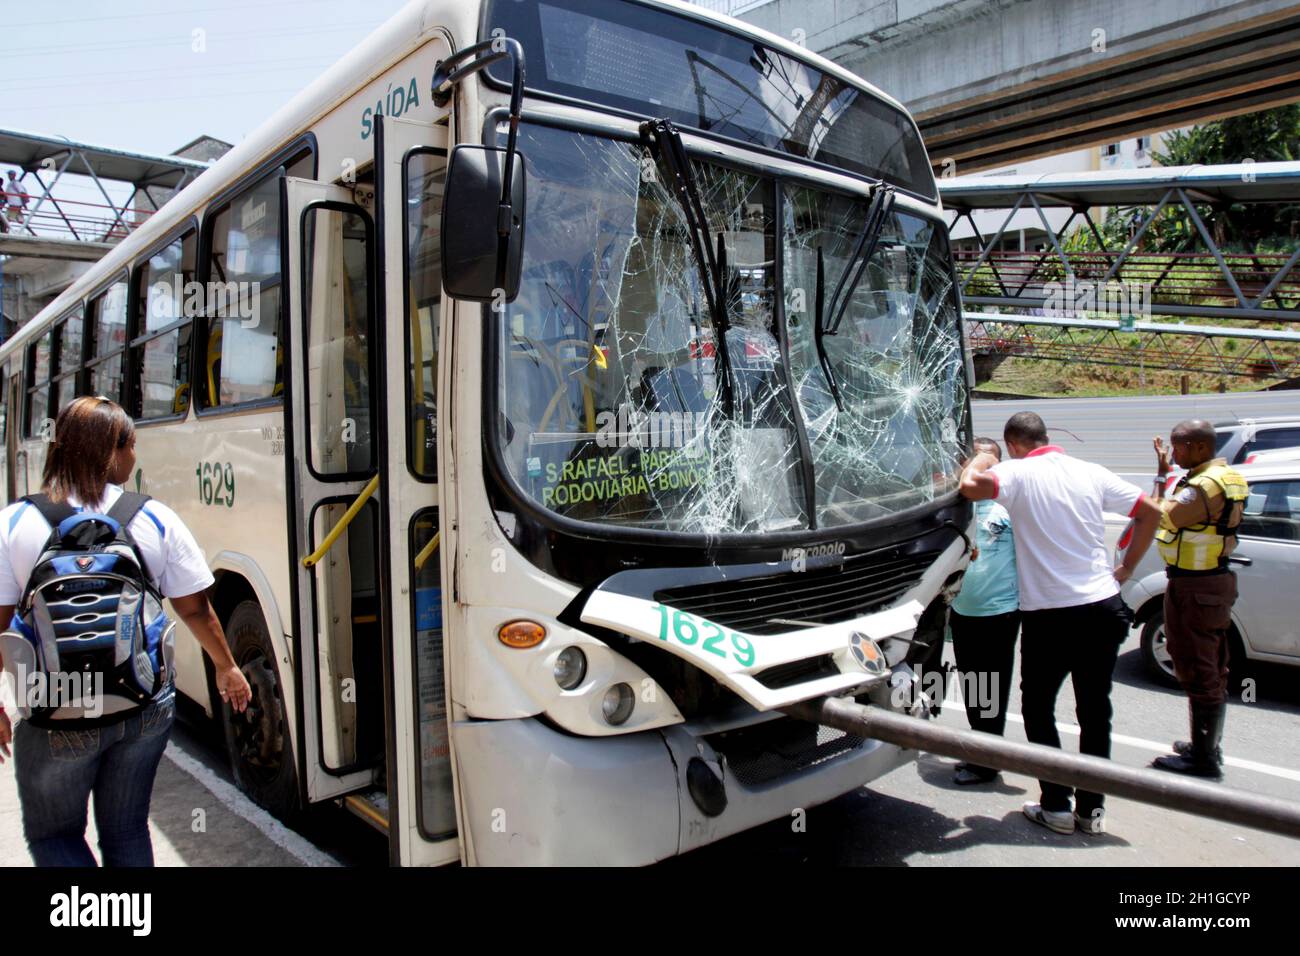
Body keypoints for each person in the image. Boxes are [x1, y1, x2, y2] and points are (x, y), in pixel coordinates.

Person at [0, 396, 252, 866]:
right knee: (126, 829)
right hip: (140, 709)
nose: (136, 456)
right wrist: (227, 667)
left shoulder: (17, 522)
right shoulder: (151, 517)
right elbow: (196, 609)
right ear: (111, 452)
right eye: (131, 445)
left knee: (55, 837)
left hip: (54, 709)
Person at [960, 411, 1162, 835]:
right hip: (1103, 605)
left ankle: (1055, 806)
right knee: (1094, 710)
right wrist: (1125, 568)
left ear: (1012, 444)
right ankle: (1091, 812)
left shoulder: (1016, 472)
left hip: (1050, 614)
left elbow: (969, 486)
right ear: (1045, 437)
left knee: (1038, 708)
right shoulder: (1089, 471)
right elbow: (1150, 511)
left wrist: (980, 459)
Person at [1147, 419, 1248, 779]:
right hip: (1208, 582)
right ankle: (1205, 745)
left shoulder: (1204, 485)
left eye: (1179, 448)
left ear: (1200, 447)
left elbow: (1161, 516)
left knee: (1198, 666)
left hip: (1197, 587)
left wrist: (1161, 478)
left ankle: (1203, 759)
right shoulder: (1225, 477)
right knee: (1207, 663)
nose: (1174, 455)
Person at [948, 437, 1020, 785]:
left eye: (983, 459)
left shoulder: (1010, 506)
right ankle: (981, 752)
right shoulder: (960, 506)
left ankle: (986, 760)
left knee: (993, 686)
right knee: (974, 685)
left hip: (1001, 612)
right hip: (963, 610)